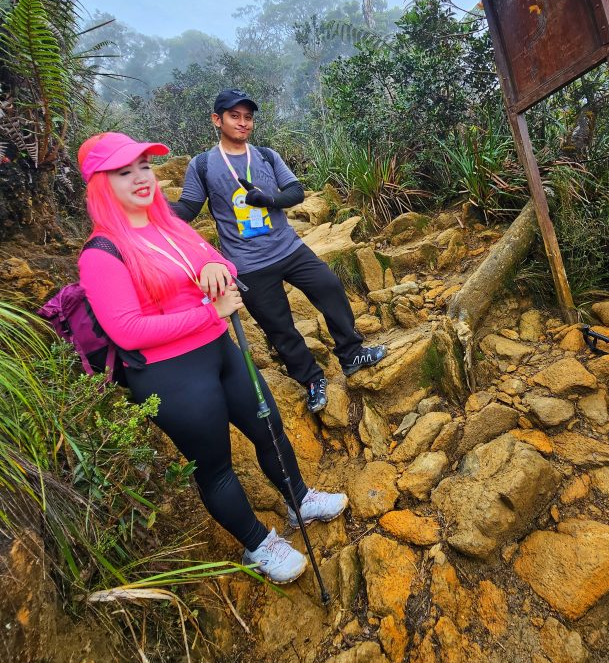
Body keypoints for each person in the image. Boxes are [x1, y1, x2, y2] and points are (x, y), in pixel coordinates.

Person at [77, 131, 348, 585]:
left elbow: (217, 259)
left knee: (269, 427)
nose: (141, 178)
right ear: (102, 185)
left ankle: (299, 499)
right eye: (125, 172)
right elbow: (126, 330)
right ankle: (258, 543)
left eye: (144, 166)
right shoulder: (101, 253)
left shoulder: (169, 224)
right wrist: (209, 311)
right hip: (171, 376)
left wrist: (216, 266)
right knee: (215, 465)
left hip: (221, 350)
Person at [170, 89, 387, 414]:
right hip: (247, 263)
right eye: (234, 116)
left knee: (329, 287)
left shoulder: (266, 156)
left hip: (289, 248)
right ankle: (312, 379)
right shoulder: (202, 165)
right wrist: (150, 208)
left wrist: (267, 199)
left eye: (248, 117)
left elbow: (295, 192)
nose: (243, 123)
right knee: (279, 327)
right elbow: (187, 208)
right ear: (217, 120)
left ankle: (351, 353)